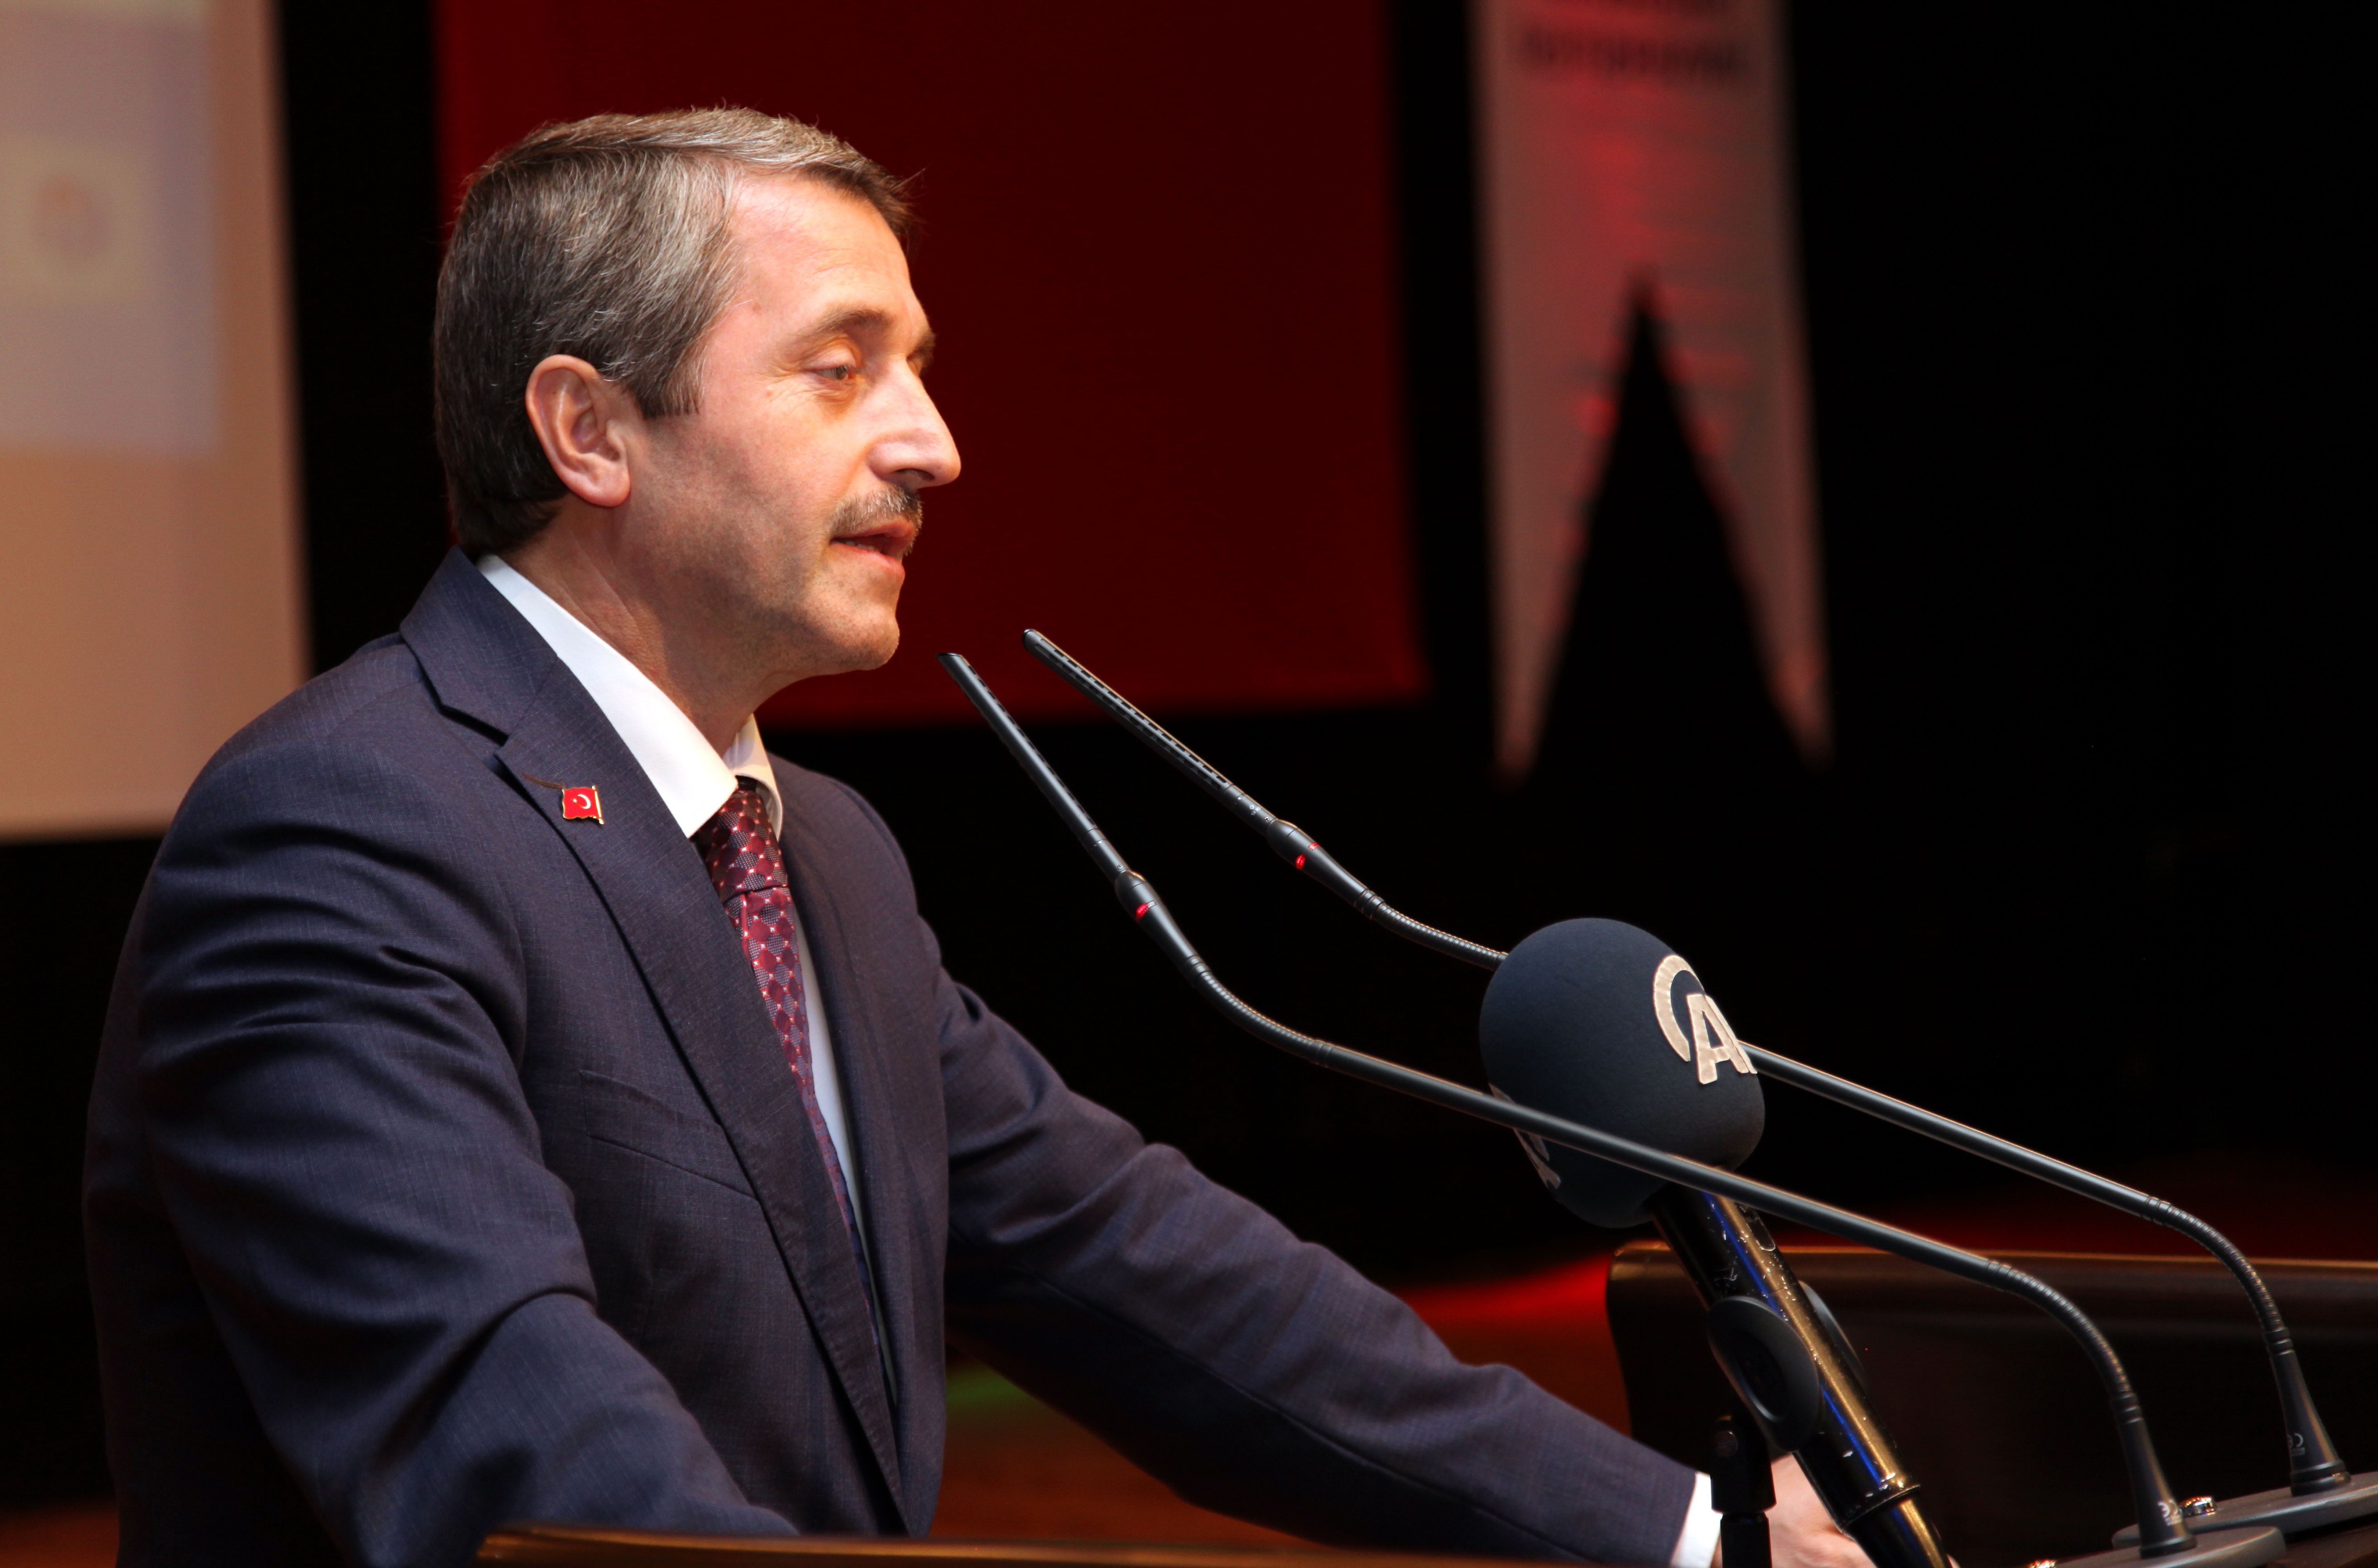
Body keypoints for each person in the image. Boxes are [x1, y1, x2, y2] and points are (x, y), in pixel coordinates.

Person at [84, 108, 1871, 1568]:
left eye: (919, 371)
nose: (933, 445)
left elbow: (1149, 1279)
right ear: (589, 429)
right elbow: (512, 1435)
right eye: (839, 370)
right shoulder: (343, 833)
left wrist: (1692, 1535)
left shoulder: (825, 852)